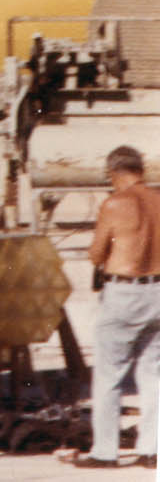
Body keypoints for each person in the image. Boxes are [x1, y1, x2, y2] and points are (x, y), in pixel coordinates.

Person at [70, 144, 160, 470]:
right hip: (158, 291)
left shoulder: (114, 203)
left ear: (112, 173)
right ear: (141, 170)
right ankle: (151, 450)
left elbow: (96, 253)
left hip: (125, 293)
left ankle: (105, 452)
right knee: (153, 373)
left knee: (110, 375)